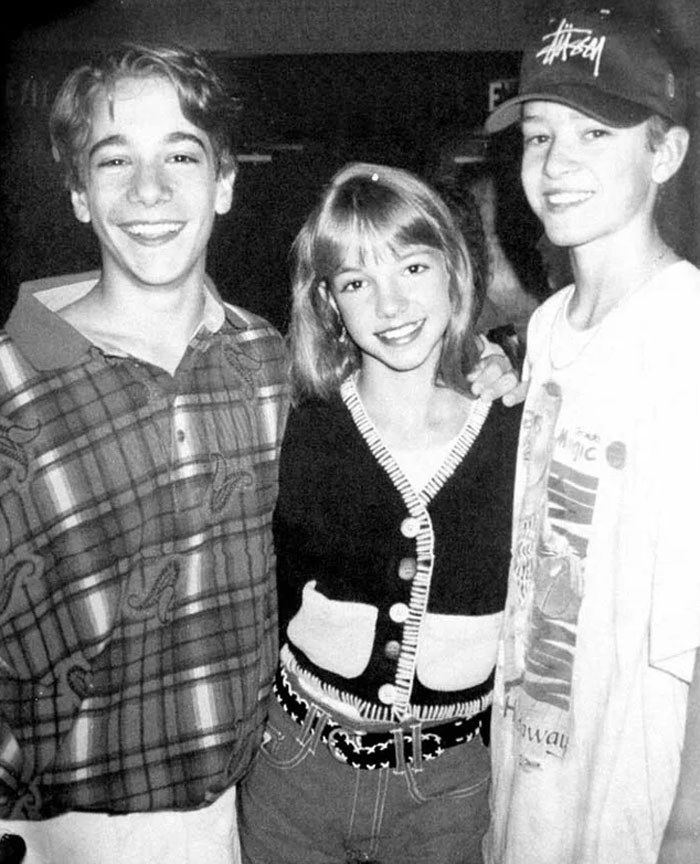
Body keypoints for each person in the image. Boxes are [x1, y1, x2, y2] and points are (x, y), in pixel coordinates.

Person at [0, 43, 289, 864]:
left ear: (224, 182)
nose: (150, 190)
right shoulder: (10, 380)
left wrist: (479, 369)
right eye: (115, 160)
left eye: (181, 156)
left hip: (228, 816)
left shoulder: (266, 360)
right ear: (79, 193)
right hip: (45, 829)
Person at [236, 162, 523, 864]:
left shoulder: (520, 428)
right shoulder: (296, 423)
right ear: (330, 302)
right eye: (357, 283)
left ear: (454, 270)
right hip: (295, 769)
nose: (390, 306)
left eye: (413, 268)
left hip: (450, 788)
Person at [481, 8, 700, 864]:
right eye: (539, 135)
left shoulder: (684, 331)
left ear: (665, 152)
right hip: (533, 782)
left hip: (633, 804)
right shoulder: (548, 330)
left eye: (595, 133)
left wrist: (688, 831)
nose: (556, 163)